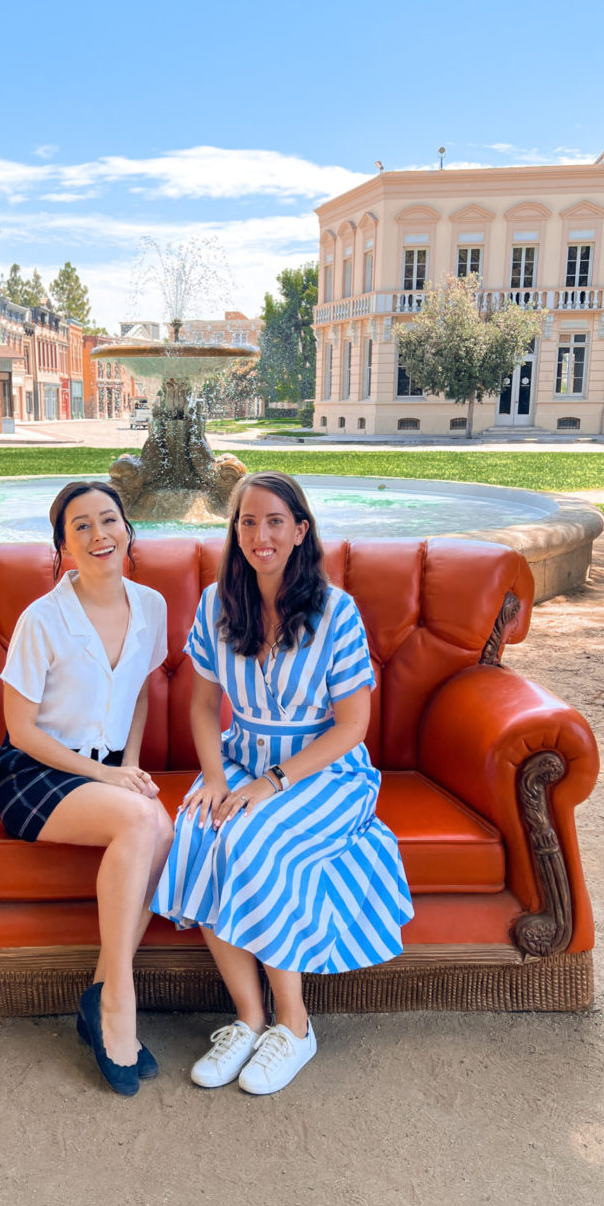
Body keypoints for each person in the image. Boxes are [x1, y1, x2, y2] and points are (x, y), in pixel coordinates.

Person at [152, 470, 413, 1096]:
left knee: (252, 840)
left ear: (300, 531)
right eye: (247, 521)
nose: (260, 535)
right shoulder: (219, 603)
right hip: (240, 759)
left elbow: (351, 726)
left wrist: (271, 783)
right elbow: (201, 705)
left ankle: (295, 1026)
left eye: (274, 522)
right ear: (234, 530)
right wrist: (214, 778)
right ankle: (249, 1018)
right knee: (197, 828)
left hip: (324, 769)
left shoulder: (335, 612)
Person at [0, 481, 172, 1096]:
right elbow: (20, 729)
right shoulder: (42, 619)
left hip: (109, 769)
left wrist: (133, 768)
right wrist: (110, 779)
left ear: (127, 530)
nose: (99, 536)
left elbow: (140, 691)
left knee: (164, 829)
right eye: (81, 527)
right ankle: (119, 1003)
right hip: (35, 771)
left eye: (108, 521)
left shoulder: (150, 606)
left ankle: (101, 992)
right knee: (138, 822)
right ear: (62, 545)